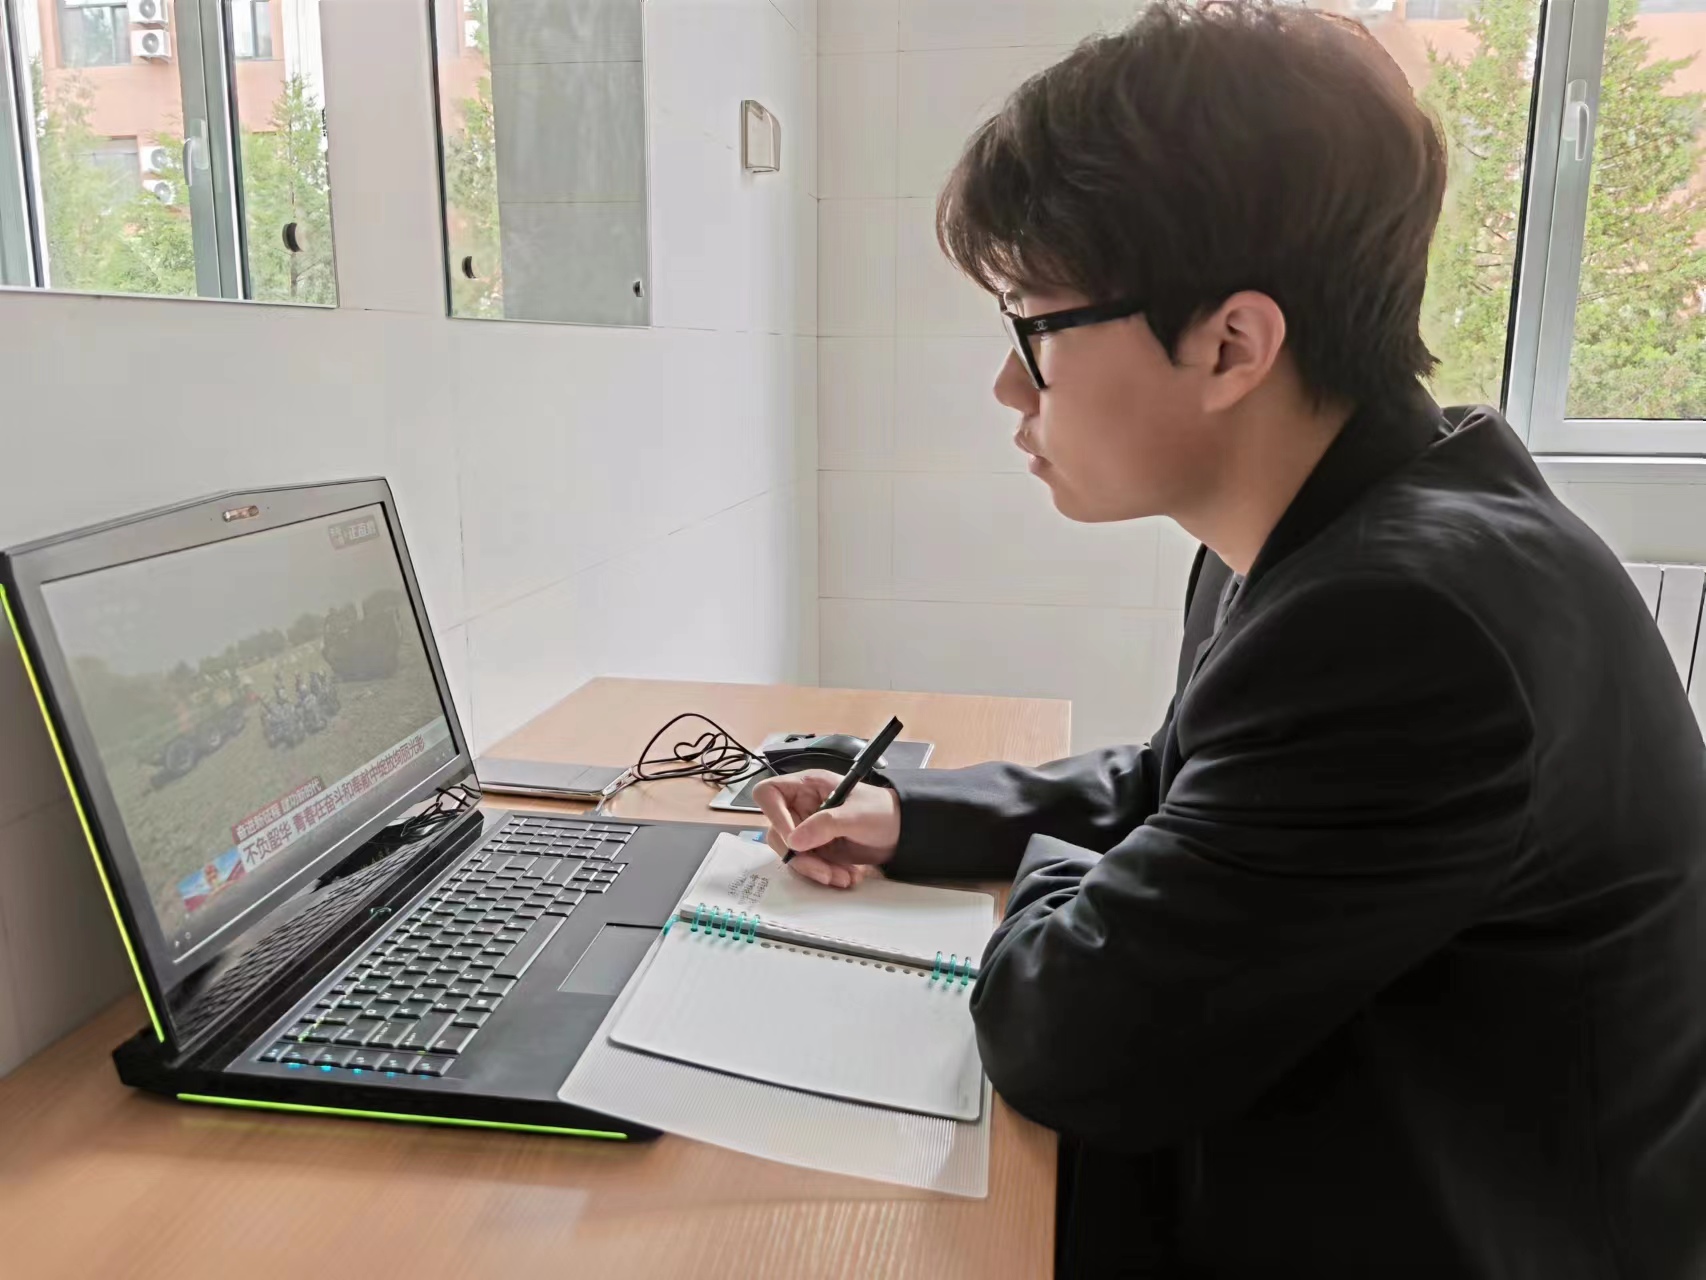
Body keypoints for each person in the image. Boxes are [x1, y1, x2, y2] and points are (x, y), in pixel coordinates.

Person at [754, 5, 1706, 1277]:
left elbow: (1071, 1038)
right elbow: (1181, 785)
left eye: (1031, 326)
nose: (1007, 387)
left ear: (1231, 343)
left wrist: (1055, 887)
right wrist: (908, 813)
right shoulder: (1341, 524)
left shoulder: (1405, 621)